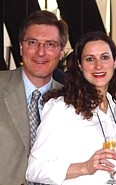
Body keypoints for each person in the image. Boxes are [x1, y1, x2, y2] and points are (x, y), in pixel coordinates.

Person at [26, 31, 116, 185]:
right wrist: (85, 167)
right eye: (90, 59)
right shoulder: (61, 108)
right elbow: (34, 170)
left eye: (104, 57)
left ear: (115, 62)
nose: (98, 65)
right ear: (80, 65)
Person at [0, 10, 68, 184]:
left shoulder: (72, 101)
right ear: (21, 47)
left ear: (61, 52)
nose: (41, 52)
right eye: (33, 42)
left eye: (51, 44)